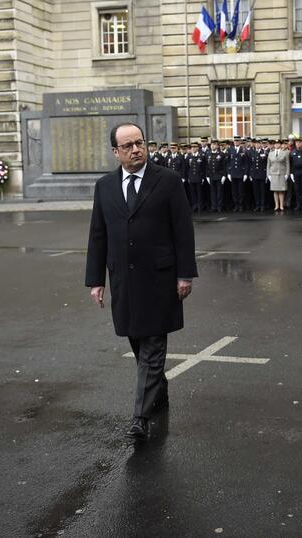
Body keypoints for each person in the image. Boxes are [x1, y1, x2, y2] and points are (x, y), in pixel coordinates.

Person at [85, 122, 197, 442]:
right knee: (137, 342)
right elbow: (98, 235)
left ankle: (140, 417)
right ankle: (158, 389)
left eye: (140, 142)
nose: (136, 149)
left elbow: (183, 230)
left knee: (152, 346)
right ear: (115, 152)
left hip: (160, 280)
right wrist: (96, 280)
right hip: (125, 282)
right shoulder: (105, 187)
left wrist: (184, 274)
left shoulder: (168, 181)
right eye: (128, 145)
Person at [267, 139, 289, 212]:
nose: (277, 145)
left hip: (282, 173)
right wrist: (268, 174)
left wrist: (287, 174)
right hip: (273, 174)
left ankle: (281, 205)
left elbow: (287, 164)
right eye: (275, 144)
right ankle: (276, 205)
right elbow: (268, 165)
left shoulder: (284, 153)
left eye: (278, 144)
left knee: (281, 191)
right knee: (275, 191)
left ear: (280, 145)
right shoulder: (271, 153)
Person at [205, 139, 226, 212]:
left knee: (219, 192)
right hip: (211, 175)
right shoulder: (208, 154)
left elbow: (224, 166)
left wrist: (224, 175)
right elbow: (207, 166)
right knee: (212, 192)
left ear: (217, 146)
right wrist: (207, 175)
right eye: (212, 145)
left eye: (214, 145)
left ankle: (219, 206)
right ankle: (214, 206)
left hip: (219, 175)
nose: (213, 146)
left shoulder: (221, 154)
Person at [186, 142, 206, 212]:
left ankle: (200, 205)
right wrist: (188, 176)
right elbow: (187, 167)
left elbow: (203, 167)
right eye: (192, 147)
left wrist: (203, 177)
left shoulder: (201, 156)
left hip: (199, 176)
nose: (193, 149)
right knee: (193, 192)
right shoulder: (189, 157)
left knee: (199, 192)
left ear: (197, 148)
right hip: (191, 177)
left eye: (195, 147)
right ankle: (194, 205)